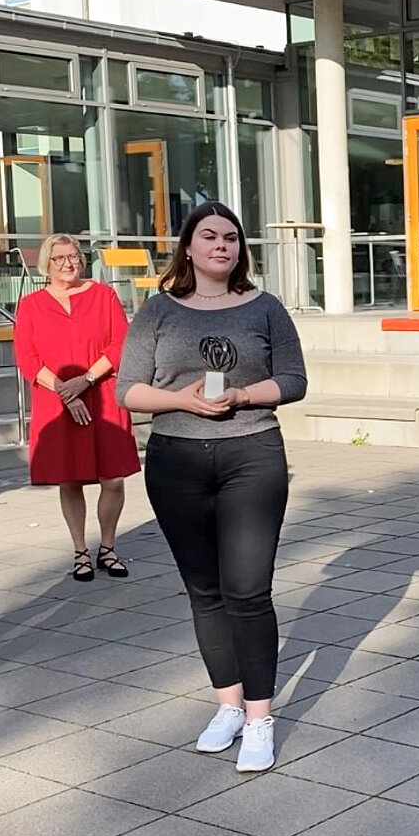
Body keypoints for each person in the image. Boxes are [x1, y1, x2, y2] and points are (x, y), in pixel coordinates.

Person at [118, 201, 306, 774]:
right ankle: (227, 704)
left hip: (252, 454)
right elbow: (129, 390)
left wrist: (243, 396)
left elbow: (295, 380)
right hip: (176, 458)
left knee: (247, 590)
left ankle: (258, 718)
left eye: (231, 237)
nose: (221, 245)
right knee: (205, 591)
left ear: (240, 249)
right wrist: (182, 400)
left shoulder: (266, 307)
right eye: (209, 236)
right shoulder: (157, 311)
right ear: (189, 248)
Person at [14, 234, 140, 581]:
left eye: (73, 257)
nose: (68, 263)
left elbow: (120, 344)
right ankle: (80, 551)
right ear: (46, 263)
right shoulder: (31, 305)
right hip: (55, 402)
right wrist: (64, 393)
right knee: (70, 479)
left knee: (112, 478)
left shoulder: (103, 294)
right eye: (59, 258)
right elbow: (27, 357)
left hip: (101, 393)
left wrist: (84, 381)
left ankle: (109, 548)